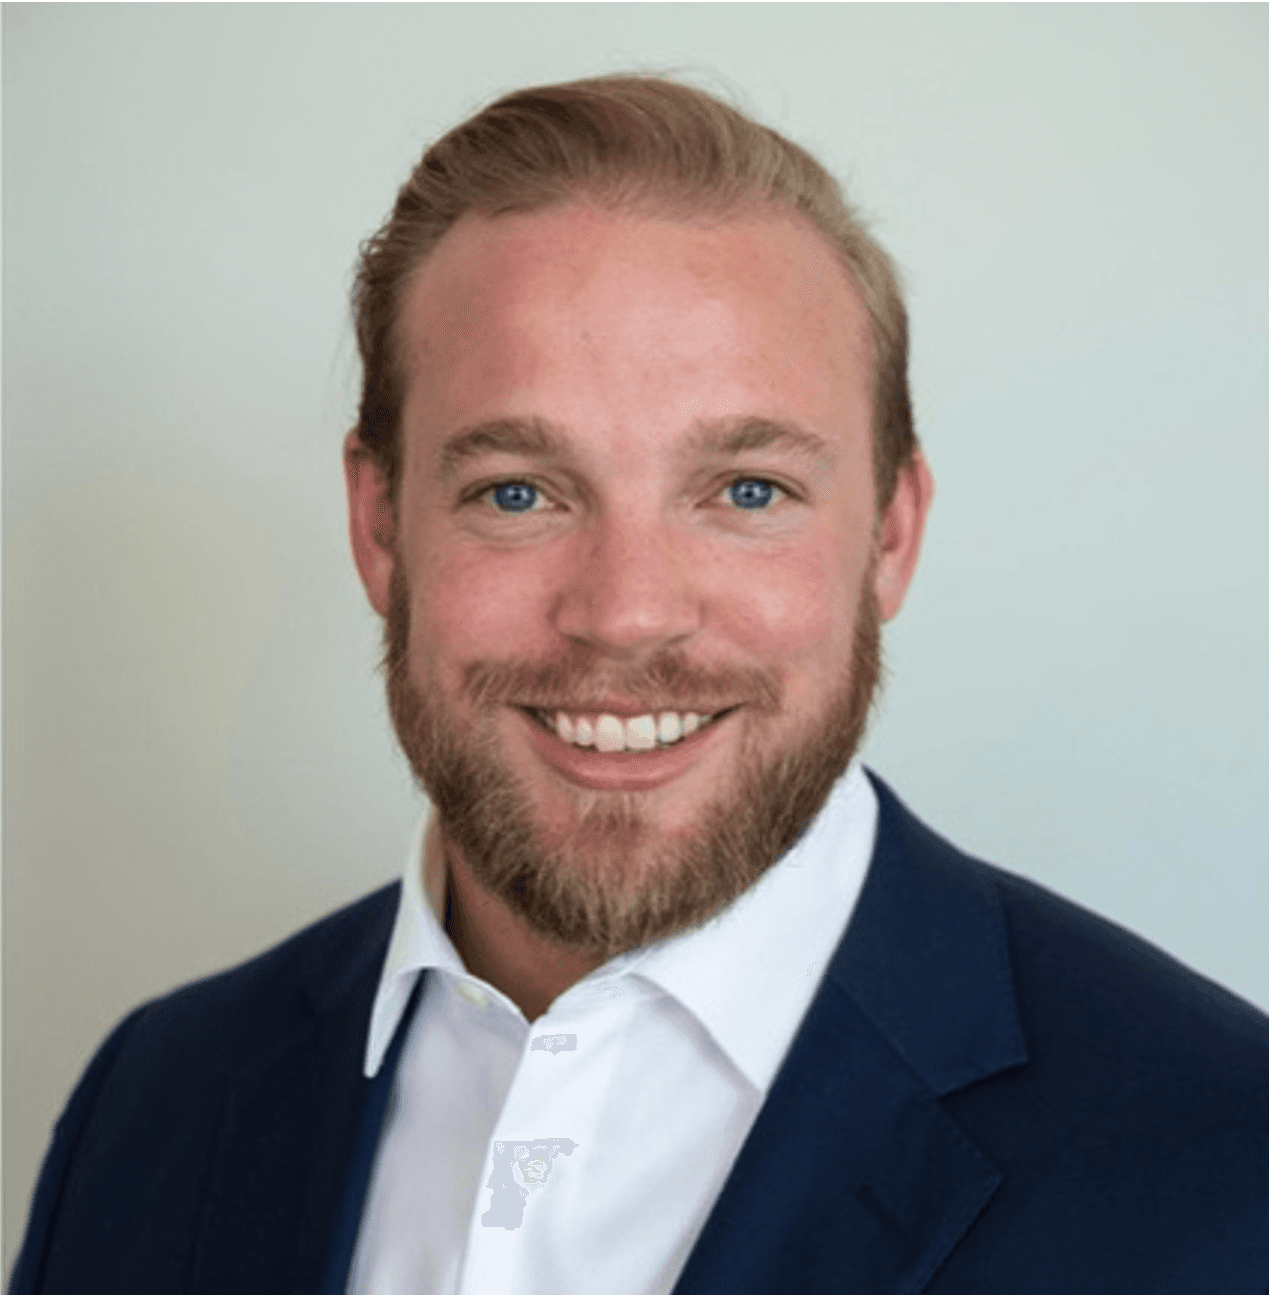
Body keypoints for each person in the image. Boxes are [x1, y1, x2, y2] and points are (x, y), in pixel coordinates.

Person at [10, 74, 1269, 1297]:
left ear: (892, 533)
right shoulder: (156, 1101)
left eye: (747, 492)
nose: (624, 613)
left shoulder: (1227, 1163)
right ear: (380, 525)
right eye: (518, 492)